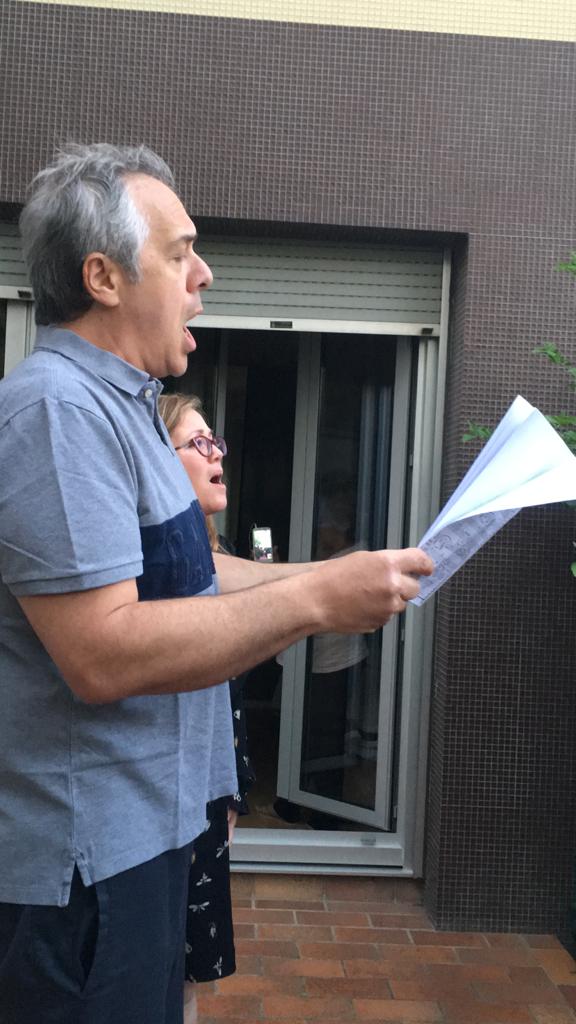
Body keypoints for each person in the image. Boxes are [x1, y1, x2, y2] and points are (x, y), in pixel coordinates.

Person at [0, 142, 433, 1024]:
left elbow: (188, 574)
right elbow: (102, 651)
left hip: (150, 838)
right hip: (85, 872)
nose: (204, 274)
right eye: (179, 253)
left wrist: (333, 573)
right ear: (102, 277)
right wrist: (314, 603)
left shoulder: (125, 408)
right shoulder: (56, 413)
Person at [158, 391, 254, 1024]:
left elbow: (226, 697)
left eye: (216, 440)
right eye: (198, 442)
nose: (217, 453)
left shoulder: (214, 555)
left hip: (208, 790)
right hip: (168, 796)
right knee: (160, 963)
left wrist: (232, 786)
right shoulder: (152, 569)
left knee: (190, 966)